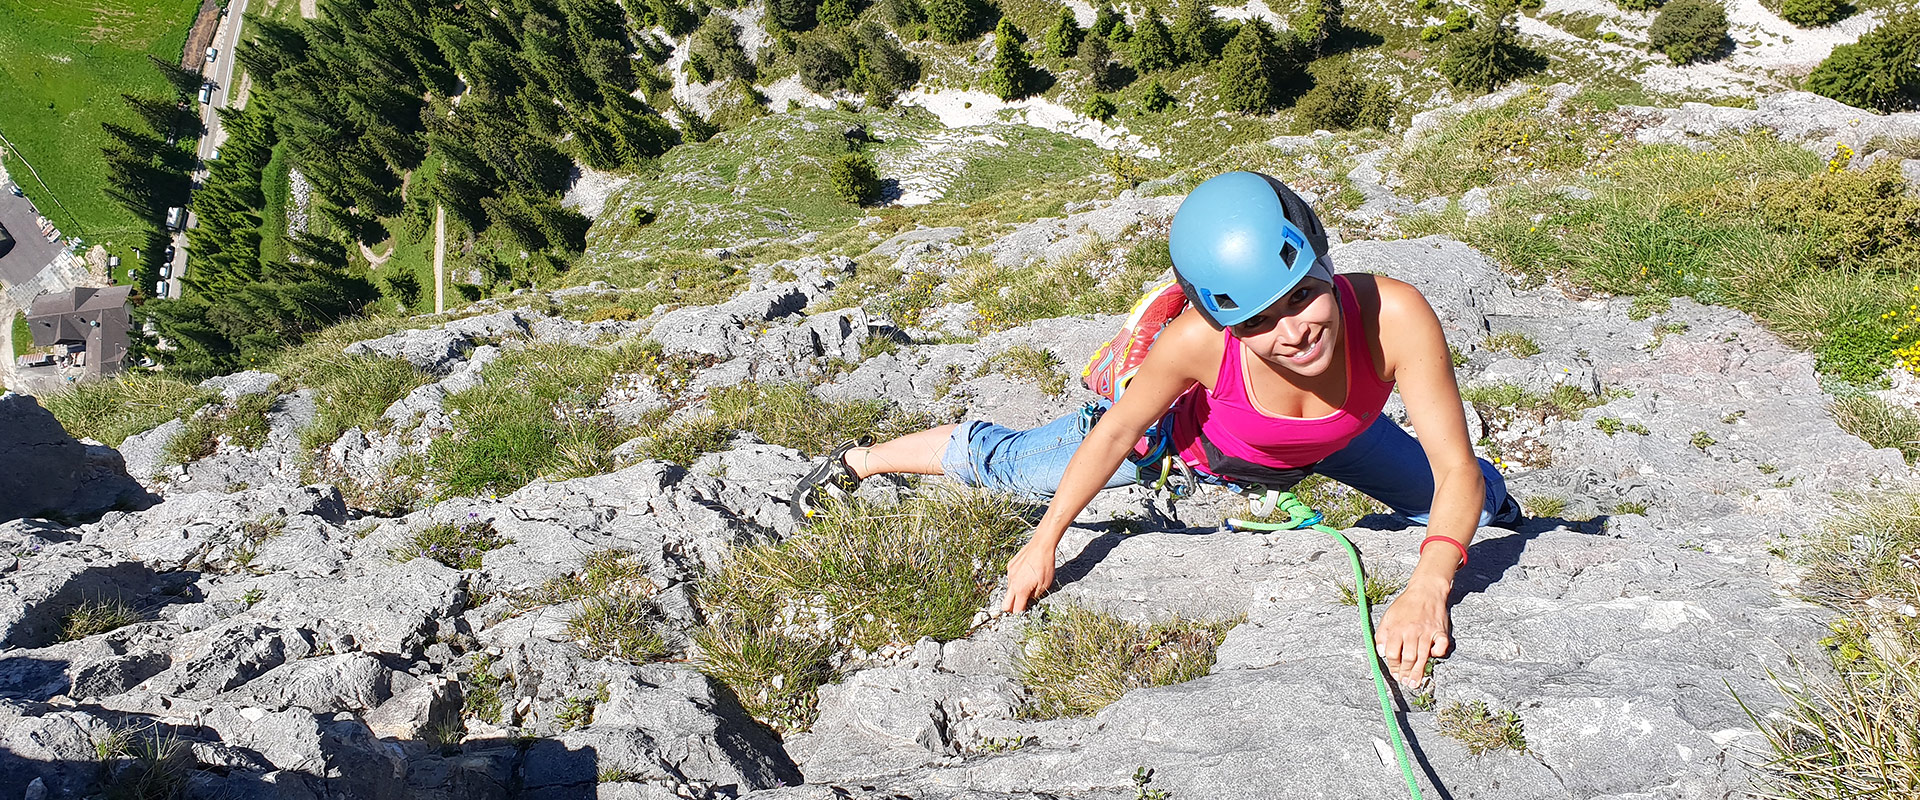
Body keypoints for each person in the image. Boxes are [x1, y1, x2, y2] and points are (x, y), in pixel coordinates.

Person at [790, 171, 1519, 686]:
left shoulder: (1393, 315)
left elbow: (1454, 467)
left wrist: (1428, 585)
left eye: (1302, 296)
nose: (1293, 332)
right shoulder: (1199, 344)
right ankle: (863, 461)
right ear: (1226, 321)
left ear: (1327, 264)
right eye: (1258, 320)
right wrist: (1042, 543)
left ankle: (1500, 505)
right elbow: (1110, 438)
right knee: (1012, 467)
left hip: (1338, 439)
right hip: (1182, 450)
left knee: (1475, 502)